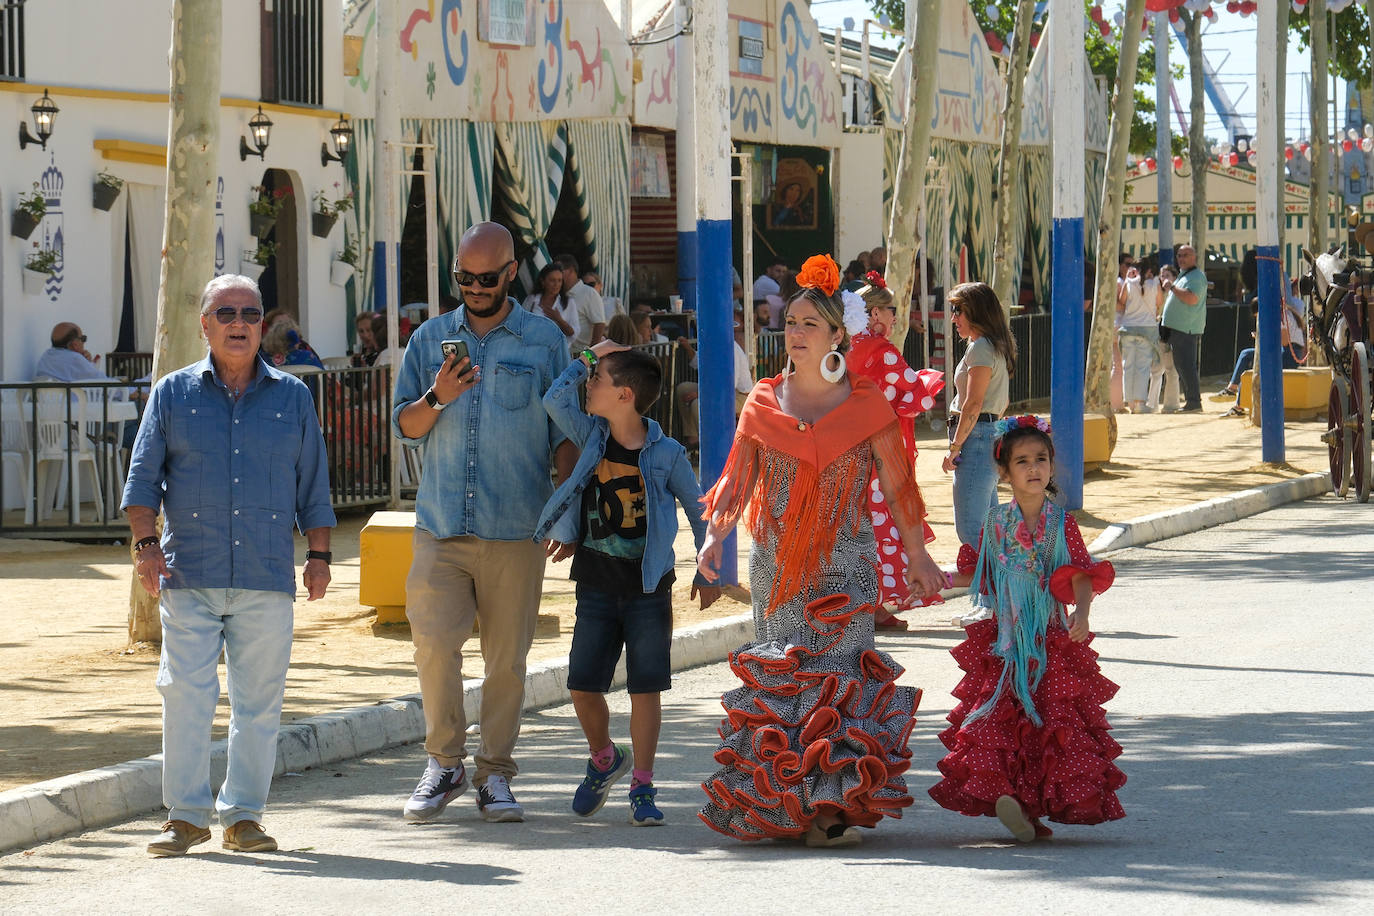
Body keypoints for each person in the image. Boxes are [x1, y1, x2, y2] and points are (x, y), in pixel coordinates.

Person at [695, 254, 944, 848]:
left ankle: (831, 807)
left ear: (839, 335)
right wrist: (713, 536)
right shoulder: (762, 400)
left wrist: (918, 556)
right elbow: (737, 477)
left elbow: (898, 485)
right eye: (792, 323)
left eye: (810, 324)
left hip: (846, 565)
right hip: (777, 565)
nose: (796, 333)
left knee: (836, 679)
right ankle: (784, 803)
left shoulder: (866, 405)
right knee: (787, 676)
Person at [121, 274, 335, 857]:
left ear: (263, 325)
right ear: (205, 325)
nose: (238, 322)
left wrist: (318, 556)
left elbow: (312, 485)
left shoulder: (294, 396)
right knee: (184, 696)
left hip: (266, 576)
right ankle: (184, 817)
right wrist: (145, 547)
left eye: (249, 312)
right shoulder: (171, 393)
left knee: (258, 704)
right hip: (188, 572)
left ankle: (243, 816)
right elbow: (142, 482)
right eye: (225, 313)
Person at [393, 222, 577, 824]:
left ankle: (495, 775)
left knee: (506, 660)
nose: (474, 287)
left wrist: (566, 511)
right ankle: (443, 762)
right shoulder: (429, 339)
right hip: (440, 524)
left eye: (487, 277)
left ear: (511, 272)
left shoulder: (544, 341)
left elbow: (567, 438)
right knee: (433, 645)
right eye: (463, 278)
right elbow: (406, 426)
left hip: (515, 525)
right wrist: (437, 396)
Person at [533, 340, 720, 826]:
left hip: (647, 590)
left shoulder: (668, 453)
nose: (588, 386)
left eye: (598, 381)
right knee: (582, 685)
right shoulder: (591, 432)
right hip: (594, 583)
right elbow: (555, 397)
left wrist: (708, 565)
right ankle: (603, 759)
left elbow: (700, 510)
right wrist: (590, 357)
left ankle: (642, 784)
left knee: (645, 689)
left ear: (626, 396)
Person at [928, 416, 1123, 842]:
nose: (1033, 468)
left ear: (1052, 466)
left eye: (1041, 459)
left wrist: (1083, 613)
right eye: (1022, 461)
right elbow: (981, 576)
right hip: (1004, 642)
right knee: (1000, 721)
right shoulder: (995, 525)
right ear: (1004, 472)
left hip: (1050, 639)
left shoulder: (1062, 523)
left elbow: (1080, 574)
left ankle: (1029, 809)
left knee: (1051, 722)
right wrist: (933, 579)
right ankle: (1010, 799)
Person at [846, 272, 946, 628]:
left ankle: (865, 604)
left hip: (848, 449)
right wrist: (929, 379)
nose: (893, 317)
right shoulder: (883, 351)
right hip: (881, 450)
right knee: (884, 522)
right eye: (890, 309)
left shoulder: (845, 347)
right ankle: (875, 605)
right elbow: (917, 395)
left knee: (860, 526)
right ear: (874, 314)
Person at [943, 282, 1015, 549]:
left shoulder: (981, 347)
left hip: (976, 439)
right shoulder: (989, 345)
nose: (953, 318)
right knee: (988, 531)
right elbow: (1002, 402)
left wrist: (955, 447)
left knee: (972, 532)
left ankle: (990, 591)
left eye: (957, 310)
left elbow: (973, 404)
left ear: (976, 311)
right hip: (986, 435)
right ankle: (998, 590)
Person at [1218, 274, 1307, 418]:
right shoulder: (1287, 312)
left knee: (1247, 355)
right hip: (1289, 353)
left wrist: (1261, 338)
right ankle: (1236, 397)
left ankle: (1233, 390)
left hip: (1288, 356)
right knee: (1249, 365)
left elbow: (1284, 341)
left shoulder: (1281, 315)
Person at [673, 307, 752, 452]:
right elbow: (698, 362)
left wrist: (700, 394)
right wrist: (687, 346)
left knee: (698, 403)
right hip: (721, 390)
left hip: (740, 395)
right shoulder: (712, 344)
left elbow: (729, 385)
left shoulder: (731, 348)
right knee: (682, 388)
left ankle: (707, 444)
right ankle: (693, 436)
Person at [1160, 243, 1208, 412]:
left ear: (1194, 257)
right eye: (1179, 255)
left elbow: (1192, 298)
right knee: (1182, 364)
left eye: (1185, 255)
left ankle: (1194, 402)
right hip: (1179, 328)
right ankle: (1192, 400)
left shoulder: (1196, 277)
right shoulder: (1185, 275)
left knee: (1186, 365)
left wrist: (1172, 287)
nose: (1181, 258)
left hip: (1186, 328)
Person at [1117, 256, 1160, 414]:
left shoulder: (1129, 282)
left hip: (1128, 327)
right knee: (1142, 367)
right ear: (1149, 269)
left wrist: (1128, 279)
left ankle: (1129, 401)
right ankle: (1140, 402)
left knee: (1127, 366)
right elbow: (1159, 302)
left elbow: (1121, 302)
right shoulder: (1154, 283)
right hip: (1147, 328)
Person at [557, 253, 608, 356]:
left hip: (580, 355)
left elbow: (599, 324)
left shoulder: (589, 293)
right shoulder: (557, 294)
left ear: (571, 270)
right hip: (562, 355)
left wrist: (589, 357)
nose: (556, 274)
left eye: (559, 270)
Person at [35, 322, 119, 383]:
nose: (84, 342)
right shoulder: (74, 359)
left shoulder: (46, 356)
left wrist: (86, 362)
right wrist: (130, 390)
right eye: (83, 339)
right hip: (71, 405)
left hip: (44, 404)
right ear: (75, 344)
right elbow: (101, 381)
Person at [1147, 264, 1181, 413]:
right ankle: (1152, 404)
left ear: (1174, 277)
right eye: (1162, 275)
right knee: (1156, 370)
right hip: (1158, 333)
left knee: (1170, 370)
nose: (1163, 278)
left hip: (1171, 333)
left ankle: (1170, 404)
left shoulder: (1175, 293)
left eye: (1167, 275)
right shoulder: (1157, 292)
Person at [523, 263, 579, 342]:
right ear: (543, 281)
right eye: (552, 280)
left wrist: (559, 319)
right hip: (532, 349)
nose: (556, 284)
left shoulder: (568, 302)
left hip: (557, 351)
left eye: (559, 280)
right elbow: (520, 324)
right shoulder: (532, 299)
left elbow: (573, 333)